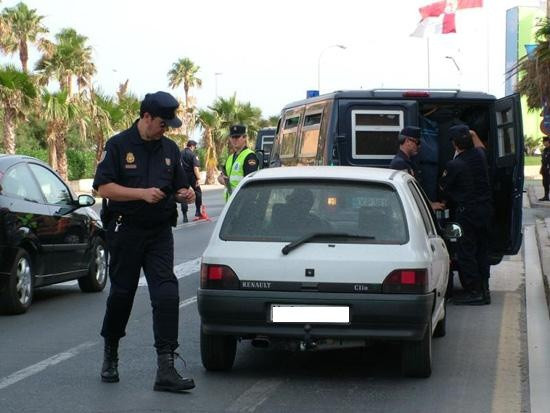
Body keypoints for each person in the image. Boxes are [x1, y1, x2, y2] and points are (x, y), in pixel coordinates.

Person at [93, 91, 196, 392]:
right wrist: (141, 193)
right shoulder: (118, 145)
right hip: (126, 231)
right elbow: (104, 187)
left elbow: (178, 185)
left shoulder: (170, 148)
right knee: (122, 295)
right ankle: (110, 353)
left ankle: (166, 367)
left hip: (159, 231)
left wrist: (184, 193)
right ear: (147, 117)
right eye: (163, 122)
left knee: (166, 293)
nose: (167, 128)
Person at [439, 125, 493, 305]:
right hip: (485, 211)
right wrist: (473, 133)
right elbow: (481, 147)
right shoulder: (480, 156)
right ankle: (484, 289)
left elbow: (444, 188)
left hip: (467, 214)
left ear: (455, 144)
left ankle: (474, 291)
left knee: (465, 252)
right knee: (482, 250)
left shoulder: (455, 165)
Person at [390, 126, 444, 210]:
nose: (419, 146)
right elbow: (408, 192)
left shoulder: (409, 162)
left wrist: (430, 204)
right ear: (407, 141)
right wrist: (429, 205)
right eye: (417, 142)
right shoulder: (400, 164)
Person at [217, 124, 259, 201]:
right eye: (232, 137)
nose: (234, 140)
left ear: (244, 138)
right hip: (231, 201)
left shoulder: (249, 156)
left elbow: (251, 182)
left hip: (244, 200)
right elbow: (221, 176)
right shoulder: (230, 158)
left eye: (237, 137)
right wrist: (222, 180)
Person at [180, 140, 202, 222]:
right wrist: (199, 178)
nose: (195, 149)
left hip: (182, 176)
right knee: (198, 192)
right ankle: (198, 212)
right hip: (192, 176)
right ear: (192, 146)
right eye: (195, 147)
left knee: (184, 194)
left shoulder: (180, 153)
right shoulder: (193, 154)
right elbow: (195, 168)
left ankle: (185, 215)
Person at [539, 136, 550, 201]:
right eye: (543, 141)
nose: (543, 143)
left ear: (548, 141)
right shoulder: (545, 150)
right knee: (545, 183)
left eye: (544, 141)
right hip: (544, 168)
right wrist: (541, 169)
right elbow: (543, 160)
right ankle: (546, 196)